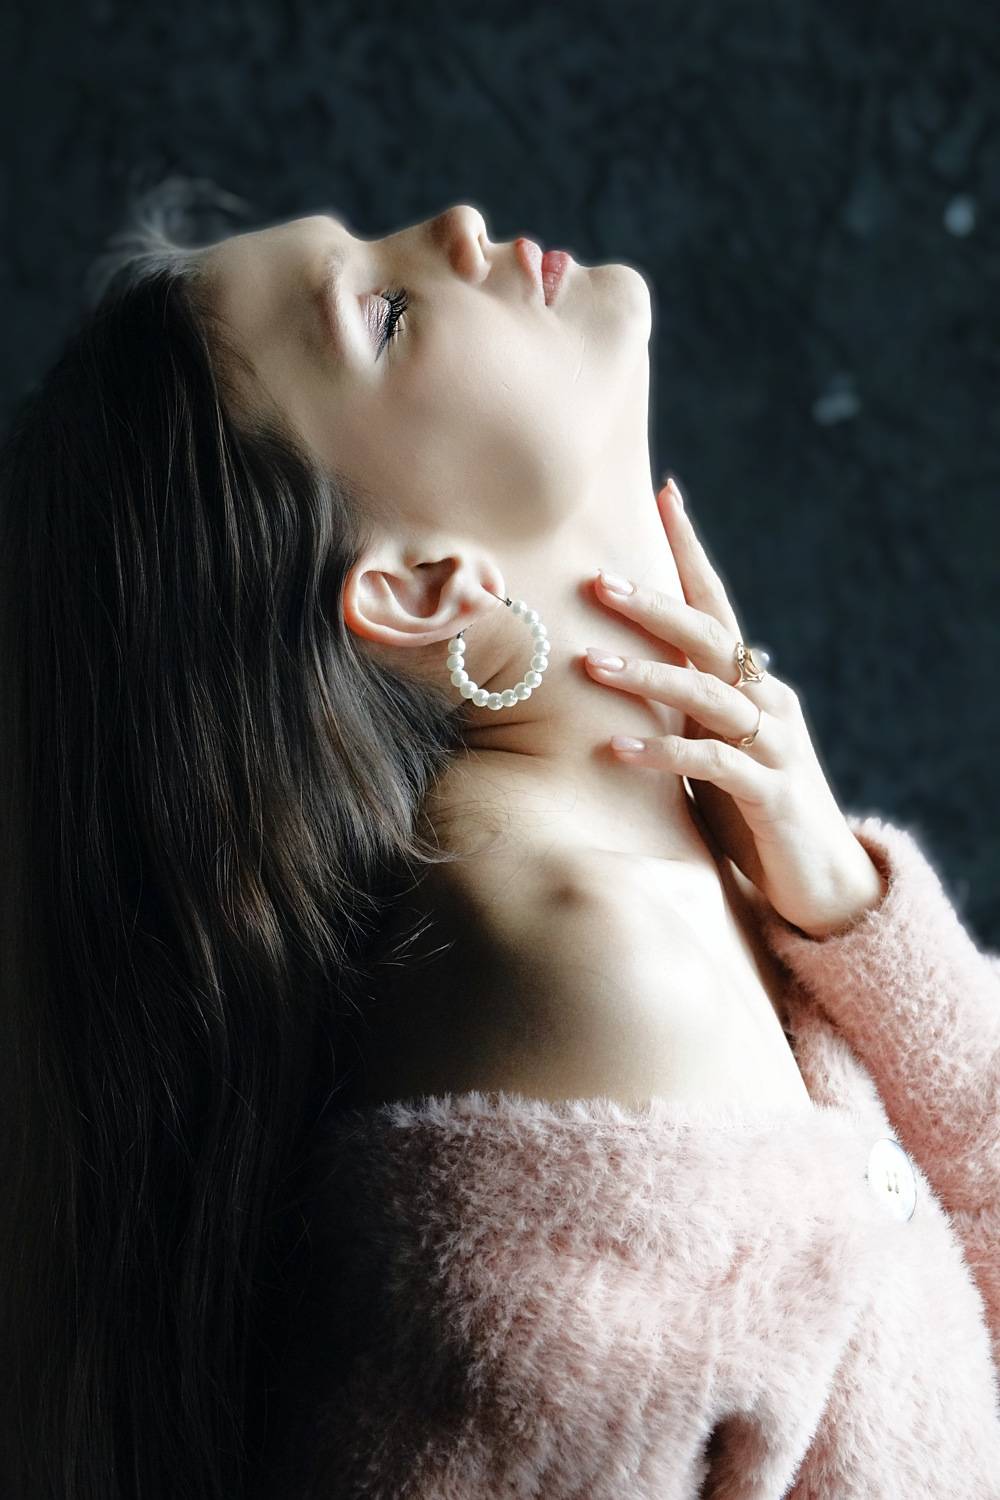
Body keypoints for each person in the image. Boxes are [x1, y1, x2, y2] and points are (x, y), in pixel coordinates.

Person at [0, 184, 996, 1500]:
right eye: (384, 315)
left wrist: (853, 917)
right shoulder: (587, 980)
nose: (458, 223)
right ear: (420, 591)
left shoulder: (721, 862)